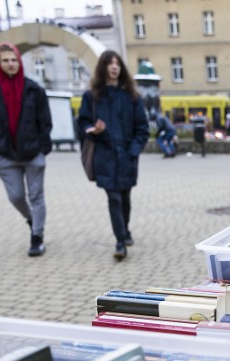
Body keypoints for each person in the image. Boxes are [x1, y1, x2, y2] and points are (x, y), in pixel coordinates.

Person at [0, 42, 52, 257]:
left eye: (14, 60)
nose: (10, 64)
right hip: (5, 154)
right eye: (5, 60)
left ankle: (37, 237)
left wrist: (42, 149)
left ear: (19, 61)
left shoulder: (34, 89)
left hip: (32, 153)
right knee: (16, 196)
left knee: (37, 196)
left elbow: (45, 122)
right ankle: (31, 219)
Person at [78, 50, 149, 260]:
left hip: (127, 155)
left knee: (125, 198)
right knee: (114, 199)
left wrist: (133, 151)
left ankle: (125, 230)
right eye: (110, 63)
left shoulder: (131, 96)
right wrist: (94, 130)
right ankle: (120, 242)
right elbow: (82, 123)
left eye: (118, 63)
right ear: (103, 67)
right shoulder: (91, 96)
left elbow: (142, 128)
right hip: (105, 155)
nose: (114, 66)